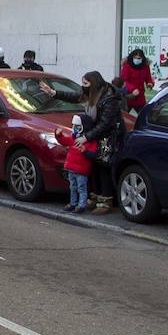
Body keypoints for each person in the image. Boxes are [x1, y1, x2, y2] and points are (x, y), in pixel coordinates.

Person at [42, 71, 125, 214]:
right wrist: (53, 93)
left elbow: (105, 124)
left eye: (85, 83)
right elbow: (75, 96)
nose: (83, 86)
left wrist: (86, 137)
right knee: (93, 167)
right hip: (95, 134)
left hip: (107, 137)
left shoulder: (108, 98)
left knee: (103, 166)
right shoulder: (91, 94)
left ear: (94, 84)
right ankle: (94, 196)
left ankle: (105, 200)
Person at [59, 115, 98, 213]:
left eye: (78, 127)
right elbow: (64, 141)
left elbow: (94, 155)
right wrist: (59, 136)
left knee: (81, 188)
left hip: (81, 170)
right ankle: (73, 203)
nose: (75, 129)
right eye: (74, 126)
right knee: (73, 187)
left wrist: (85, 151)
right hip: (72, 168)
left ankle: (81, 205)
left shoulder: (90, 141)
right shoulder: (73, 138)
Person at [119, 48, 154, 113]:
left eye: (139, 58)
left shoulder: (145, 66)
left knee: (143, 115)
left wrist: (150, 84)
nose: (137, 60)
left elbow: (148, 78)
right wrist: (133, 89)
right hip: (129, 96)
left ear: (142, 58)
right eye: (135, 58)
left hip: (140, 97)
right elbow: (124, 81)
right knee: (124, 117)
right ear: (132, 57)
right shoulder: (127, 66)